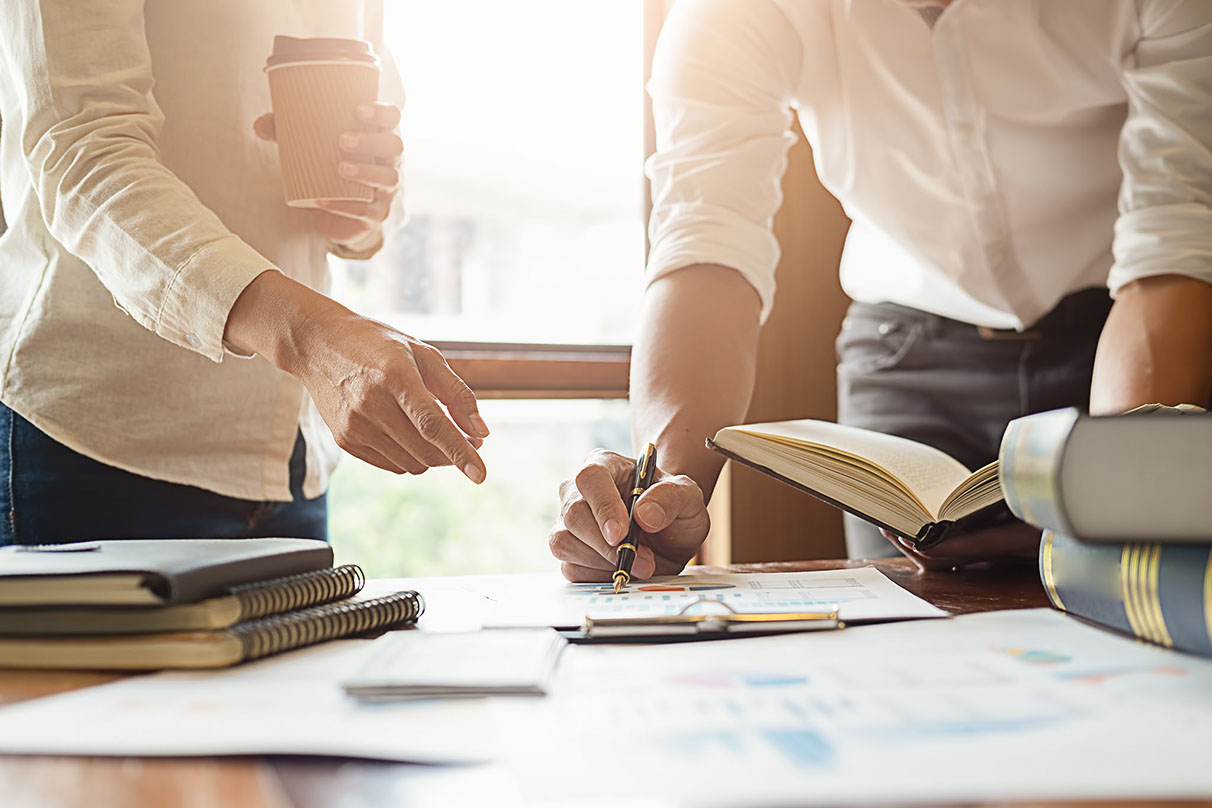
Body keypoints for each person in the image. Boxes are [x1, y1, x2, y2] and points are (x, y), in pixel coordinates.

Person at [549, 0, 1212, 578]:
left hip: (1134, 333)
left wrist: (1125, 496)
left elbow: (1175, 240)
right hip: (907, 359)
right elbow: (706, 243)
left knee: (1132, 606)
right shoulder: (734, 10)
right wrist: (662, 497)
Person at [0, 1, 488, 547]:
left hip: (289, 459)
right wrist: (310, 337)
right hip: (96, 445)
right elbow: (85, 153)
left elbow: (380, 171)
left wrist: (365, 200)